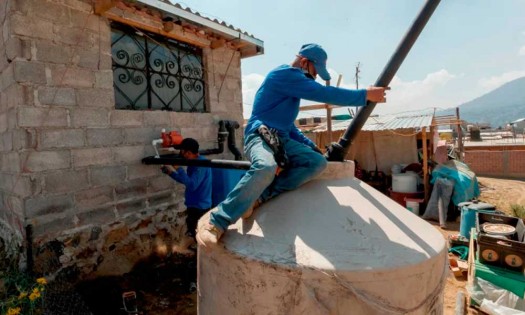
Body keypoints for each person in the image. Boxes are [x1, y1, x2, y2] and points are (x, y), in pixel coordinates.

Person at [196, 43, 388, 248]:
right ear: (304, 62)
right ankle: (217, 221)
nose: (314, 77)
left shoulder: (291, 90)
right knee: (265, 166)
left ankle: (259, 197)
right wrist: (364, 95)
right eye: (315, 71)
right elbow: (324, 93)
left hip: (281, 138)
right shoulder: (284, 75)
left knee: (316, 163)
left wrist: (313, 149)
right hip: (259, 134)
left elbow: (289, 128)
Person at [161, 138, 212, 253]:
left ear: (188, 152)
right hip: (195, 205)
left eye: (182, 152)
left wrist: (178, 168)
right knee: (195, 233)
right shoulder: (194, 163)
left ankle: (205, 257)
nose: (181, 155)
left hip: (199, 207)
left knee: (198, 235)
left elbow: (192, 185)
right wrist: (170, 173)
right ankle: (201, 254)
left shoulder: (200, 164)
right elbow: (187, 181)